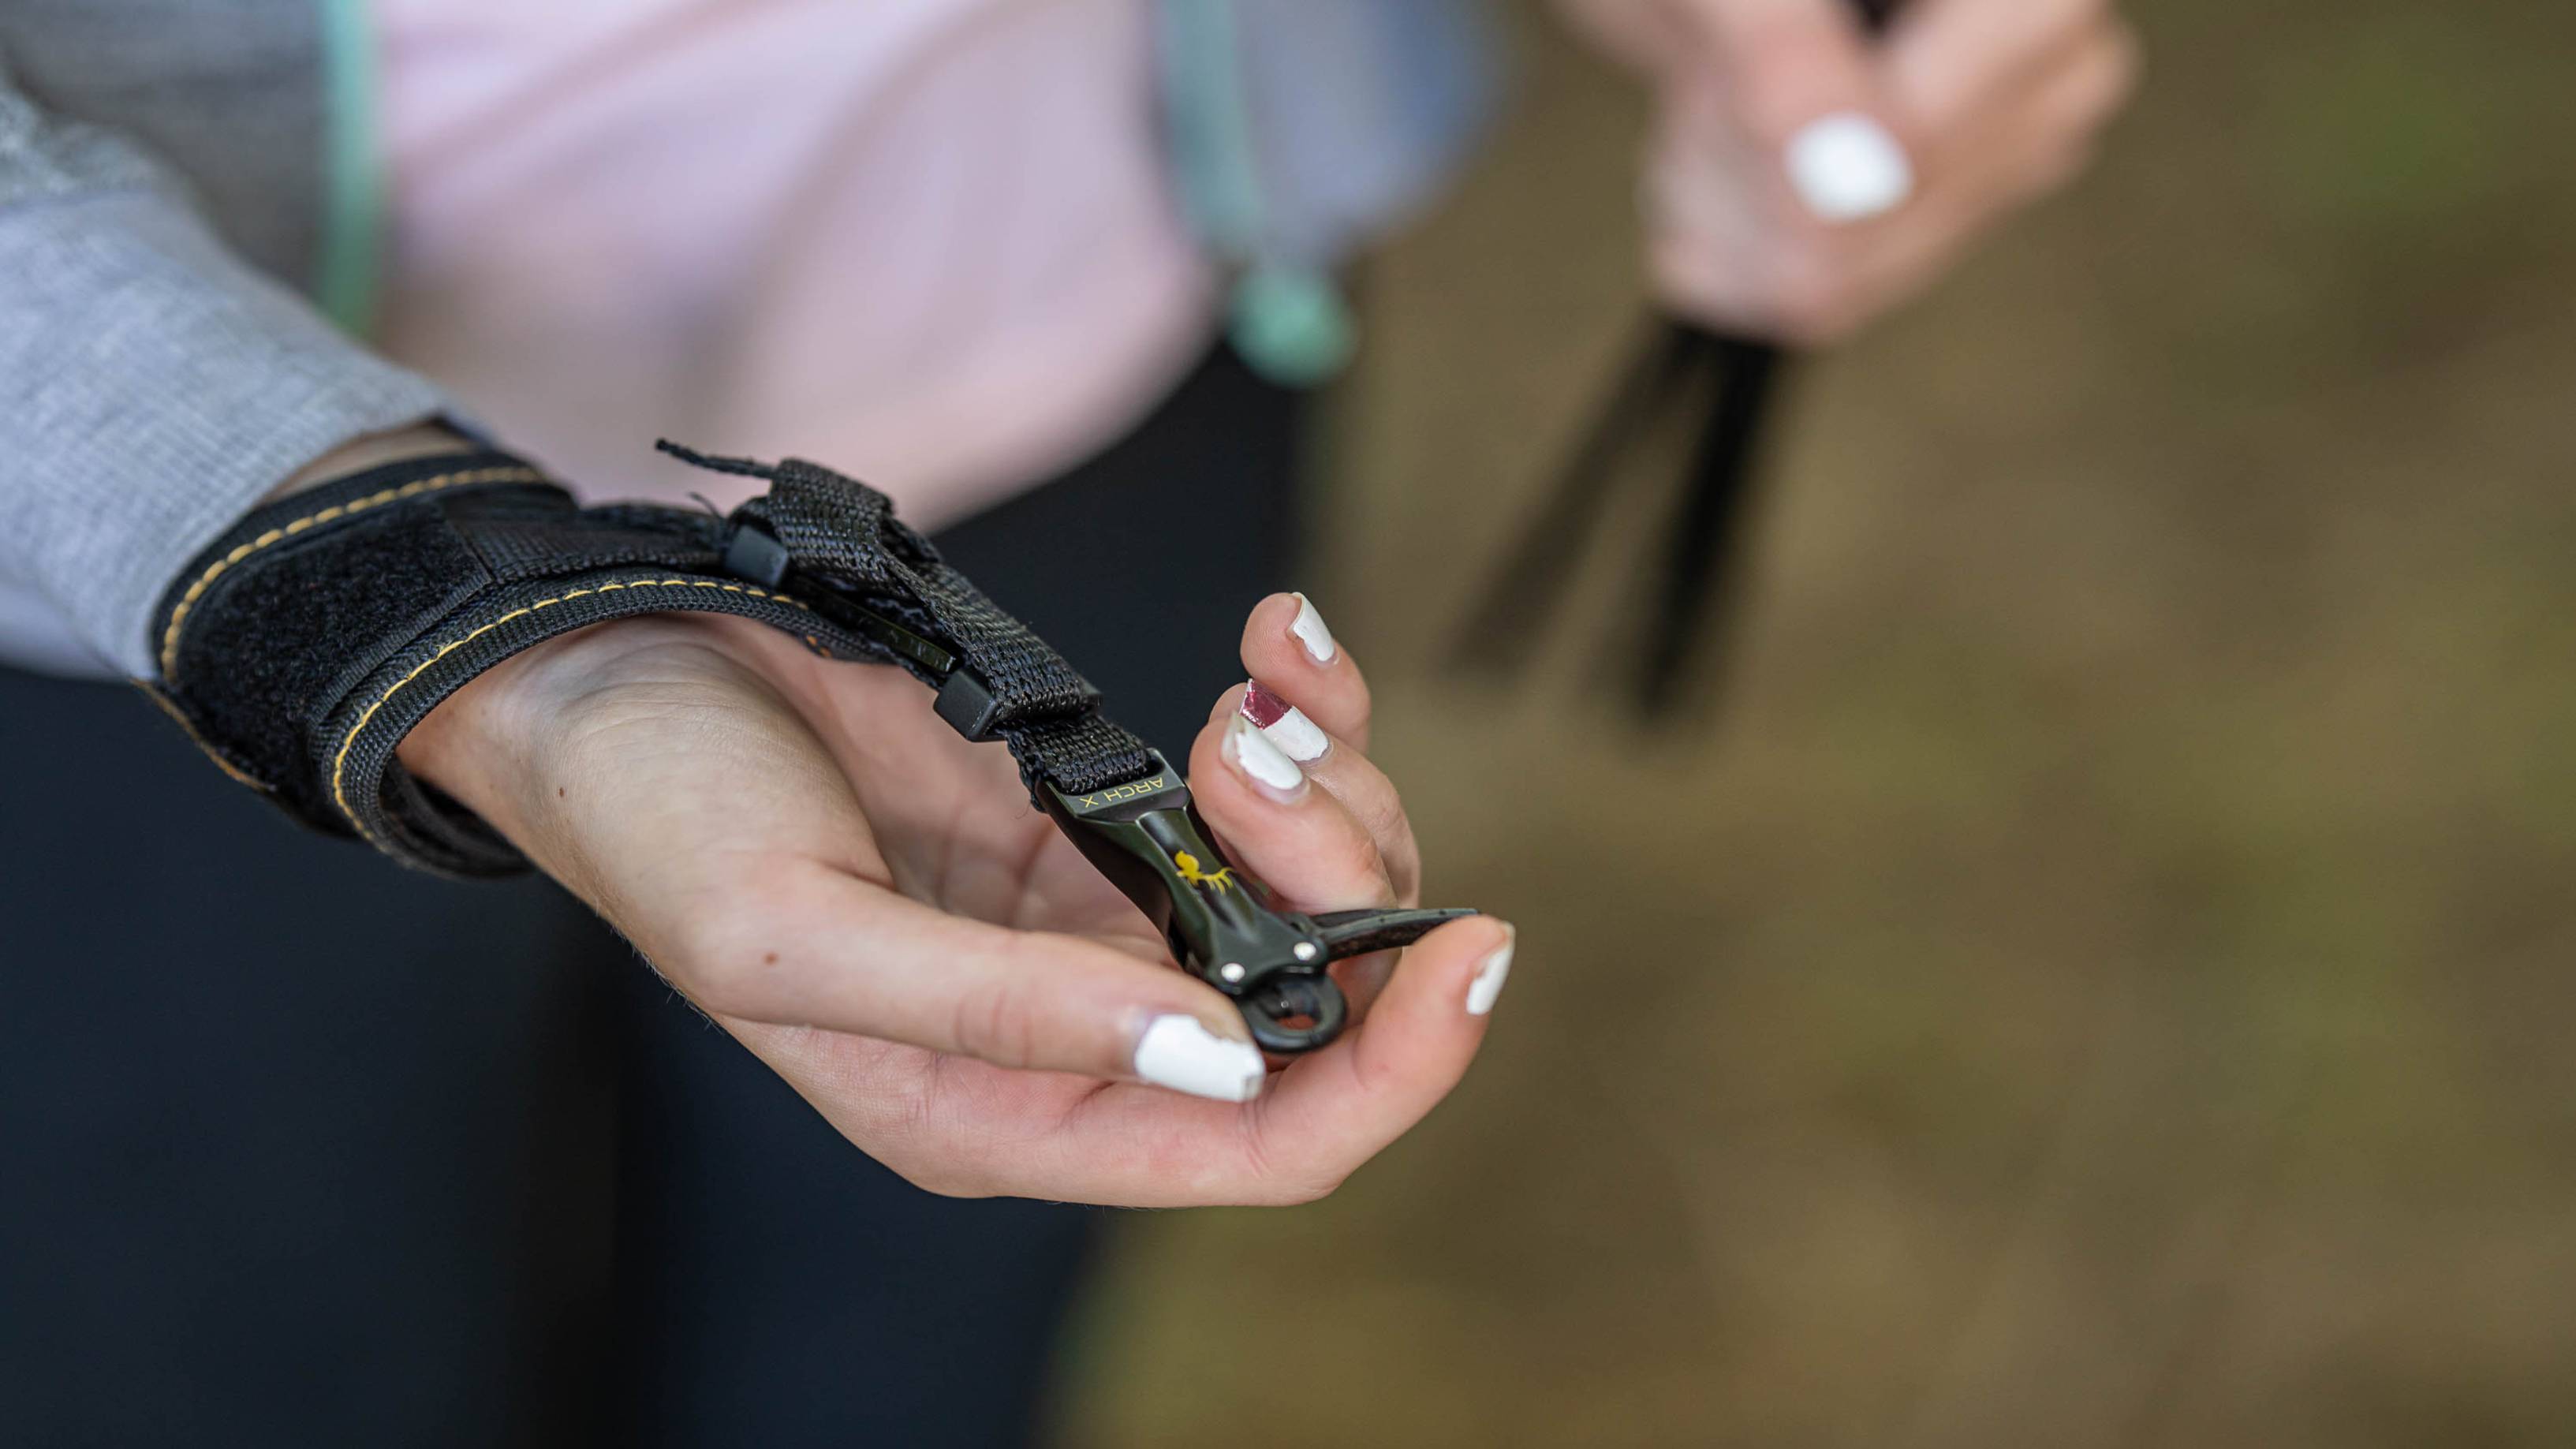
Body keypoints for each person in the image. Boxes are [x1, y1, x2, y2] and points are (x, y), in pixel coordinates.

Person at [0, 1, 2136, 1442]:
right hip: (135, 568)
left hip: (1103, 354)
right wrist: (381, 585)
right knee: (231, 1350)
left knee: (905, 1349)